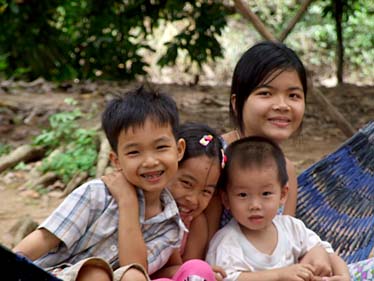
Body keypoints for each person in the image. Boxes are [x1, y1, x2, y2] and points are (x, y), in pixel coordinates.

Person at [204, 40, 374, 280]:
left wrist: (317, 257)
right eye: (266, 93)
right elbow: (203, 251)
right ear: (237, 103)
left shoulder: (285, 169)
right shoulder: (216, 159)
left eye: (293, 95)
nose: (282, 105)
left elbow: (289, 237)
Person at [12, 86, 187, 281]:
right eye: (134, 152)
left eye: (161, 147)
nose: (150, 161)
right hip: (53, 275)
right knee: (95, 274)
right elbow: (44, 239)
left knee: (133, 276)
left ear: (179, 150)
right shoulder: (96, 193)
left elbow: (136, 267)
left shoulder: (170, 227)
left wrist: (128, 203)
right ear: (116, 161)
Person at [206, 136, 350, 281]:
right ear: (226, 200)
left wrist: (340, 273)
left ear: (282, 194)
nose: (255, 205)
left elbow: (326, 251)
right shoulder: (227, 242)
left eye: (266, 194)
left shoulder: (292, 228)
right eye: (243, 195)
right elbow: (228, 278)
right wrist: (280, 275)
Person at [103, 122, 227, 281]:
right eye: (186, 183)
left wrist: (204, 272)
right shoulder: (131, 204)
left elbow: (186, 271)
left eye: (206, 191)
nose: (193, 199)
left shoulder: (195, 224)